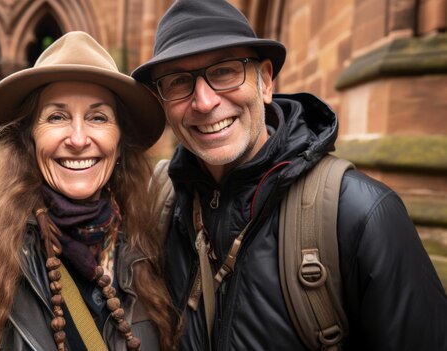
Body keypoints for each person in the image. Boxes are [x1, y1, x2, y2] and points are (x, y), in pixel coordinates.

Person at [131, 0, 447, 350]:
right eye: (178, 82)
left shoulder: (361, 215)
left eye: (224, 71)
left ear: (264, 81)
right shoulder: (161, 207)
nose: (204, 102)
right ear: (162, 102)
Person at [0, 31, 177, 351]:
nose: (77, 139)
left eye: (98, 117)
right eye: (57, 116)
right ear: (29, 140)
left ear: (119, 145)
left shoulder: (144, 247)